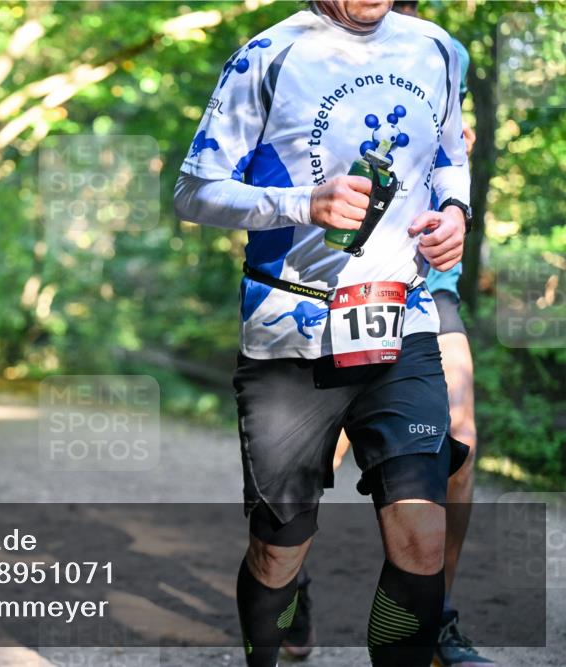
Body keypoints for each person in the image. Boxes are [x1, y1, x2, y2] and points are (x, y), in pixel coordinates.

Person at [173, 1, 473, 665]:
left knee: (421, 532)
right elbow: (193, 191)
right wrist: (302, 203)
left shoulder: (434, 49)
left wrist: (455, 211)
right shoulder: (267, 57)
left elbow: (450, 156)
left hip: (403, 321)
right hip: (290, 337)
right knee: (279, 549)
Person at [298, 2, 493, 665]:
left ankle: (435, 618)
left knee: (459, 441)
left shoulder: (444, 51)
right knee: (316, 452)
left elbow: (451, 149)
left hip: (425, 287)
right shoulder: (311, 47)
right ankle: (286, 581)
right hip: (336, 283)